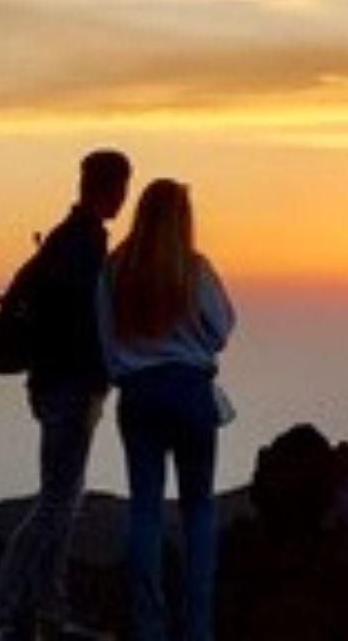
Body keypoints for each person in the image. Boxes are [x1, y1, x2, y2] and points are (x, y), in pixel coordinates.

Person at [0, 149, 132, 641]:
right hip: (71, 388)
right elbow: (86, 325)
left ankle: (49, 611)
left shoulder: (68, 240)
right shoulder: (83, 246)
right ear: (115, 188)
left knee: (63, 500)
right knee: (56, 504)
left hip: (54, 386)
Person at [94, 180, 236, 641]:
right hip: (191, 392)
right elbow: (221, 329)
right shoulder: (194, 270)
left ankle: (147, 624)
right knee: (198, 510)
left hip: (138, 395)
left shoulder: (114, 269)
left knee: (145, 511)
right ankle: (198, 626)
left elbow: (106, 339)